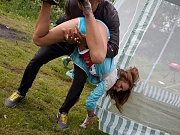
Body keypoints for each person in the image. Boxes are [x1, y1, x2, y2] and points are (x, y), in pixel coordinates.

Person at [5, 0, 120, 129]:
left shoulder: (109, 13)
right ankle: (21, 92)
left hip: (88, 45)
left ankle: (63, 111)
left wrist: (86, 41)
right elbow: (60, 27)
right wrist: (70, 41)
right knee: (38, 54)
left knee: (80, 79)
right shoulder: (72, 3)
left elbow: (113, 49)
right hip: (71, 38)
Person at [32, 0, 139, 129]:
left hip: (83, 25)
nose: (117, 89)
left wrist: (79, 43)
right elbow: (91, 100)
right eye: (121, 86)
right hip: (98, 29)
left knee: (39, 39)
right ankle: (89, 13)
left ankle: (47, 3)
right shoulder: (111, 78)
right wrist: (90, 116)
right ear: (122, 77)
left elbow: (87, 64)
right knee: (98, 57)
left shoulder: (106, 72)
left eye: (120, 91)